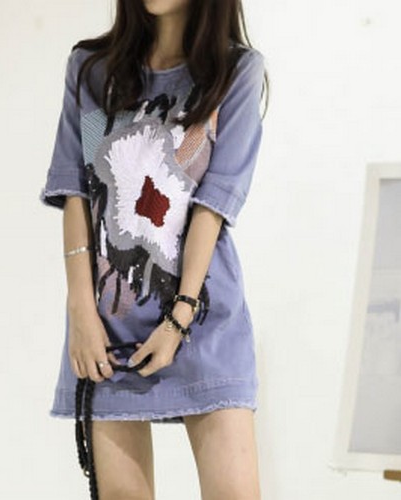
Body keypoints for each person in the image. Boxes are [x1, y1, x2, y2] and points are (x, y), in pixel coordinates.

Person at [40, 0, 269, 498]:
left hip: (202, 318)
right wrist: (81, 310)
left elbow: (212, 207)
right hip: (110, 324)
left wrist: (179, 317)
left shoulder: (235, 72)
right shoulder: (93, 71)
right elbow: (76, 190)